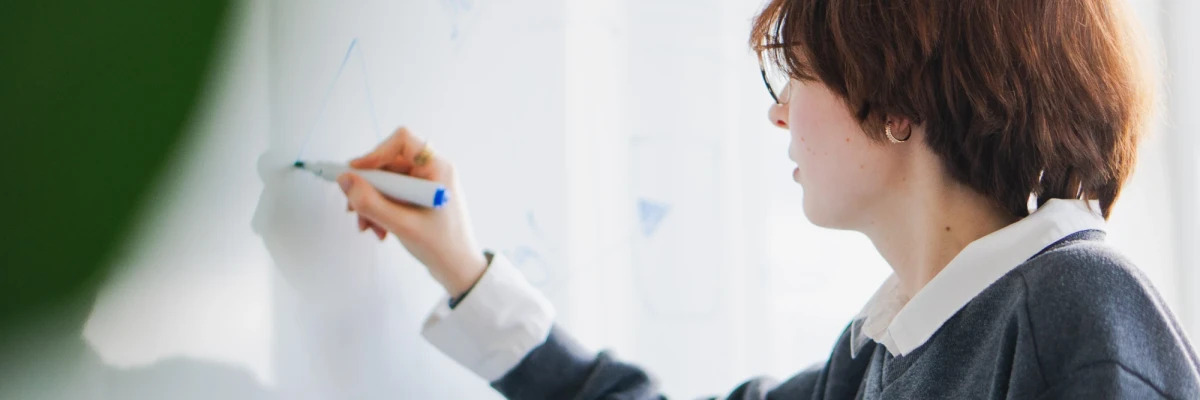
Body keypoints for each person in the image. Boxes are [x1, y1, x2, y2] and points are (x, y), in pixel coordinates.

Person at [335, 0, 1200, 398]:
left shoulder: (1078, 307)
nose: (778, 110)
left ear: (897, 103)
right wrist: (461, 266)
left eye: (798, 73)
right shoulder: (875, 358)